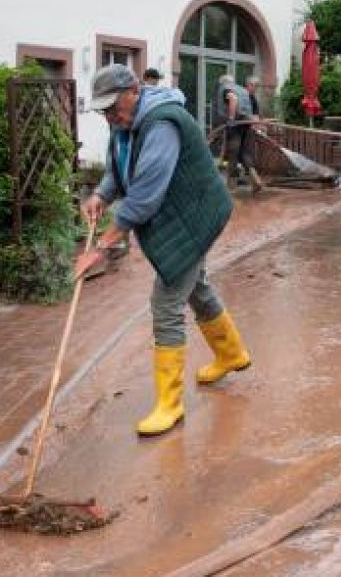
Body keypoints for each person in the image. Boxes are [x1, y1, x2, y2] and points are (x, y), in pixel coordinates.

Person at [77, 64, 252, 437]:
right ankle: (231, 354)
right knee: (196, 285)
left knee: (167, 300)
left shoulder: (161, 125)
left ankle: (169, 405)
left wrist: (103, 247)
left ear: (134, 91)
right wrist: (100, 194)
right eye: (103, 109)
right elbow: (119, 166)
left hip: (196, 213)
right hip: (179, 211)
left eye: (113, 106)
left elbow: (143, 196)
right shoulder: (124, 125)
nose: (109, 115)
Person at [213, 74, 264, 192]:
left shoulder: (226, 88)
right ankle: (255, 179)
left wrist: (231, 118)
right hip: (247, 123)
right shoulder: (242, 90)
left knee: (233, 153)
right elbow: (251, 112)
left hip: (236, 124)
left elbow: (233, 99)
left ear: (223, 83)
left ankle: (231, 187)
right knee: (245, 153)